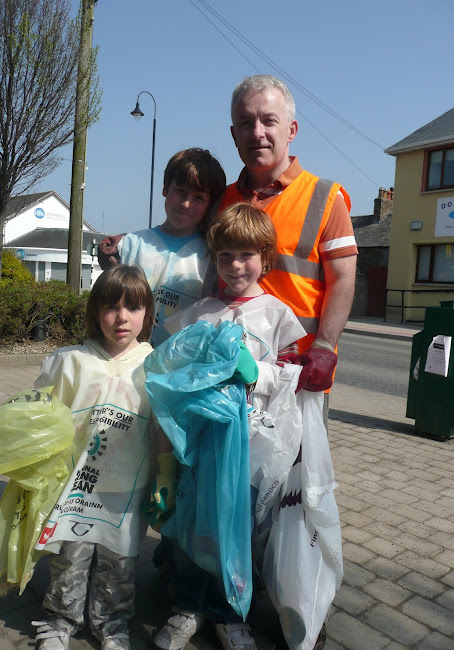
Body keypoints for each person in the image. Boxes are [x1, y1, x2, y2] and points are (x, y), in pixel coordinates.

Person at [218, 74, 357, 649]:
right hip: (239, 377)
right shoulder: (226, 199)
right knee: (242, 494)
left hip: (301, 376)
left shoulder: (328, 196)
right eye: (247, 122)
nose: (258, 132)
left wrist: (324, 346)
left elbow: (344, 276)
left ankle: (304, 607)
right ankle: (238, 602)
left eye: (269, 120)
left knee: (299, 498)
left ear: (291, 129)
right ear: (233, 133)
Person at [152, 203, 306, 650]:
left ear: (266, 257)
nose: (235, 265)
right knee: (190, 523)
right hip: (199, 444)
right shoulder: (199, 313)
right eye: (225, 256)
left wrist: (257, 371)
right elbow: (174, 375)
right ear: (213, 258)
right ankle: (187, 605)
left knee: (236, 527)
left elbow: (290, 380)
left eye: (246, 255)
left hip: (252, 446)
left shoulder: (277, 315)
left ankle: (229, 610)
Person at [30, 265, 162, 650]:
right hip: (75, 487)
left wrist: (165, 474)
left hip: (127, 489)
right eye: (111, 307)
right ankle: (60, 620)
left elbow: (161, 426)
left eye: (134, 308)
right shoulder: (70, 362)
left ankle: (112, 624)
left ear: (147, 314)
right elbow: (43, 415)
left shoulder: (154, 365)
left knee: (119, 563)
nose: (122, 317)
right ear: (94, 311)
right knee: (68, 557)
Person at [97, 148, 226, 347]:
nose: (185, 204)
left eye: (198, 197)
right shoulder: (130, 245)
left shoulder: (212, 257)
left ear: (210, 204)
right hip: (126, 362)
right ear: (165, 188)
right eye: (180, 191)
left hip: (180, 367)